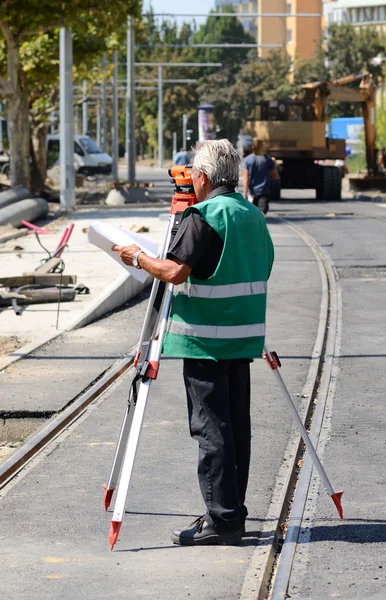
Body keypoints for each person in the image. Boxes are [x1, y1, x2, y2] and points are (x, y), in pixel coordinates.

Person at [113, 139, 274, 547]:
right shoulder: (252, 215)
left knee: (211, 430)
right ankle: (231, 512)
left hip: (204, 341)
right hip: (243, 340)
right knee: (237, 429)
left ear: (200, 177)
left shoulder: (203, 215)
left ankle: (221, 521)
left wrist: (136, 257)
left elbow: (174, 271)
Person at [243, 137, 279, 215]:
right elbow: (275, 176)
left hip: (251, 193)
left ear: (253, 147)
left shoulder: (248, 160)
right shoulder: (268, 160)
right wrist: (274, 165)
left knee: (252, 215)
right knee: (262, 215)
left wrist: (245, 194)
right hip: (264, 192)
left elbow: (246, 179)